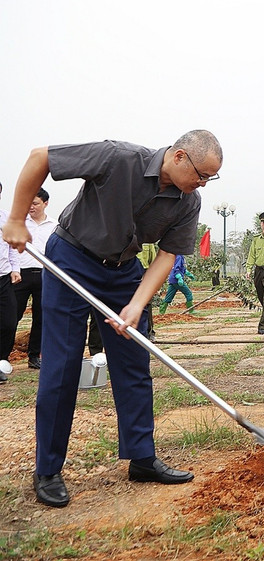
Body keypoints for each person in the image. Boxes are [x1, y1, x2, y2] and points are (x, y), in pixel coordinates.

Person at [2, 130, 223, 509]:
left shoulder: (188, 202)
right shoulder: (118, 158)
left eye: (209, 178)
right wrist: (16, 219)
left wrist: (137, 304)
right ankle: (48, 469)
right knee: (63, 364)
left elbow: (168, 255)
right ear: (180, 156)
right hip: (72, 256)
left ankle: (141, 457)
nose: (203, 183)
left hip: (122, 271)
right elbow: (41, 157)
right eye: (202, 174)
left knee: (134, 362)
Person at [12, 188, 57, 370]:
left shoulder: (54, 225)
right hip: (20, 274)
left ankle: (34, 356)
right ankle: (3, 355)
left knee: (41, 317)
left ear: (45, 203)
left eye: (35, 203)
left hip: (45, 274)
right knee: (11, 316)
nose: (31, 206)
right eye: (29, 202)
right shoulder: (20, 223)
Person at [0, 181, 21, 382]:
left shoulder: (6, 219)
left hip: (3, 277)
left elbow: (13, 247)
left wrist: (15, 269)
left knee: (8, 321)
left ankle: (1, 361)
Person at [137, 243, 159, 341]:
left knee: (147, 304)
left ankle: (149, 332)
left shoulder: (148, 242)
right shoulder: (124, 237)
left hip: (144, 273)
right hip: (127, 273)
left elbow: (154, 262)